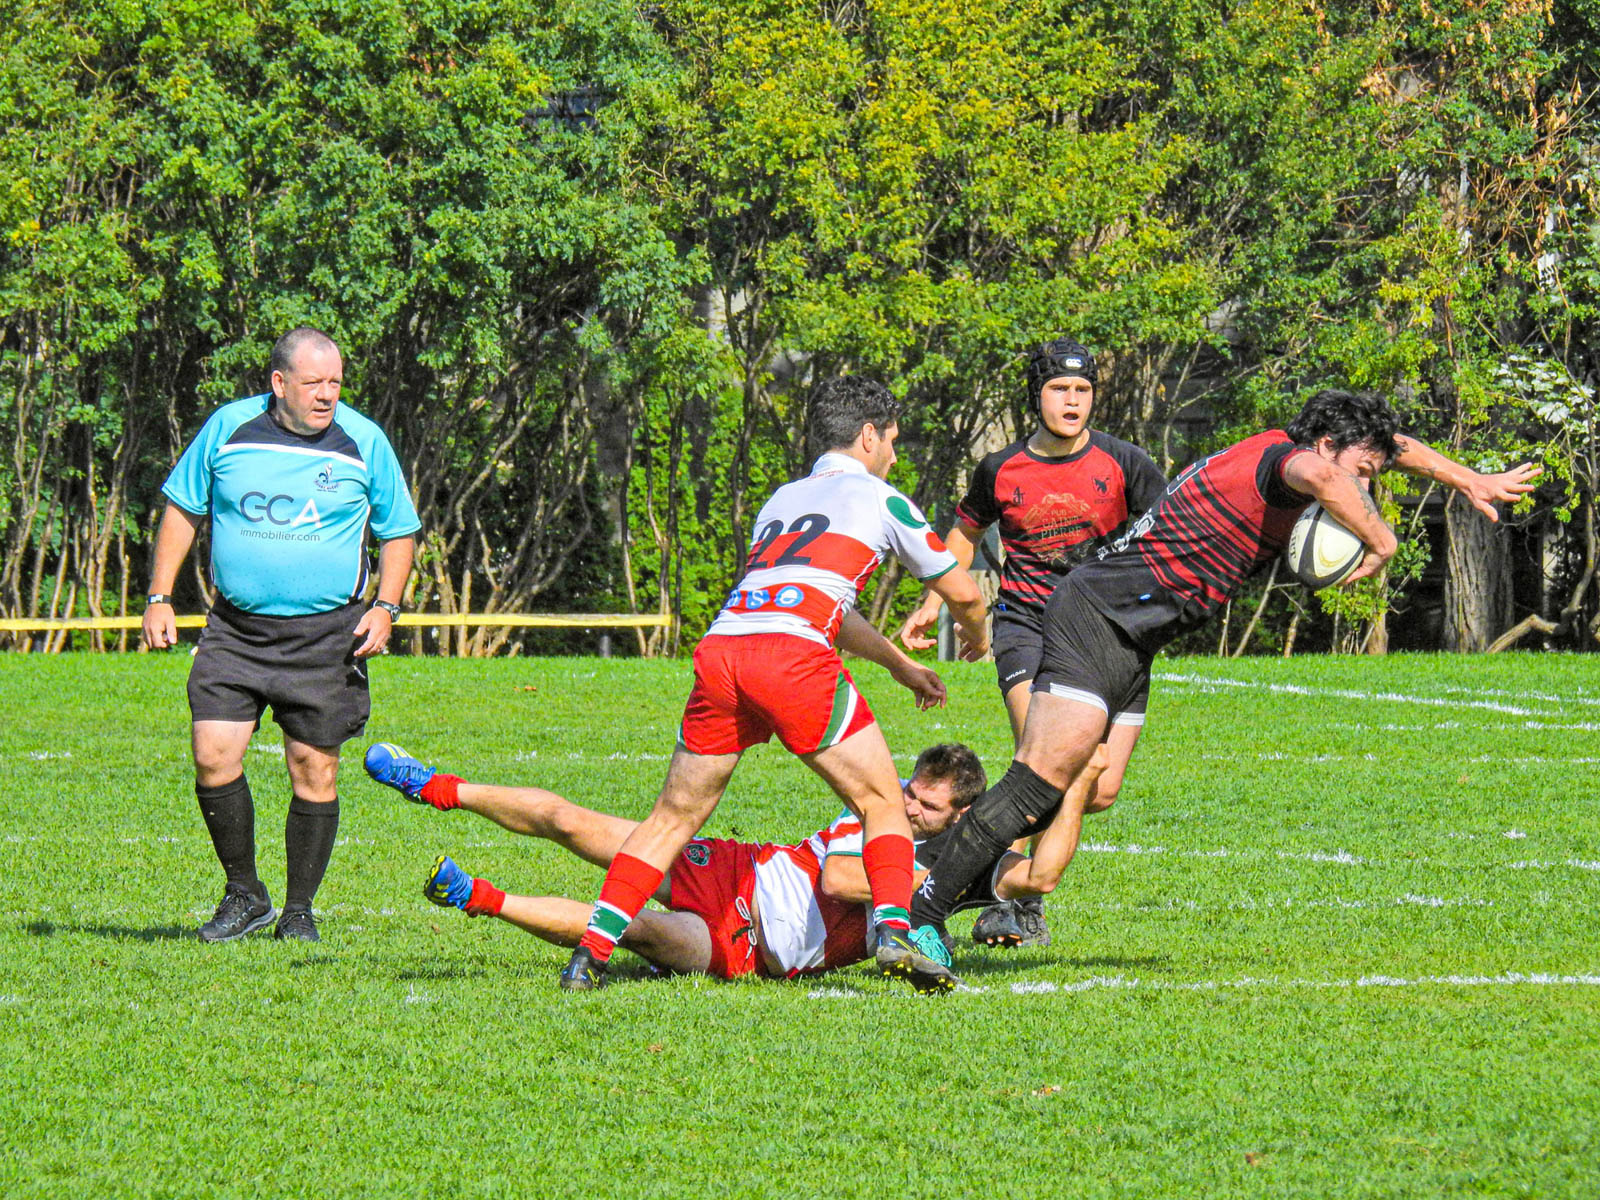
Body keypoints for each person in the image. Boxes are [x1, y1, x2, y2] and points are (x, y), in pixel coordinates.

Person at [908, 388, 1542, 952]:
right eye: (1366, 473)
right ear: (1327, 445)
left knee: (1094, 790)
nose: (1368, 485)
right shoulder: (1286, 463)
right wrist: (1385, 541)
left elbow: (1386, 446)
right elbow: (1326, 476)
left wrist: (1467, 479)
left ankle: (946, 864)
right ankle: (918, 914)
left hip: (1137, 636)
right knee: (1038, 783)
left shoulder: (1310, 448)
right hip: (1098, 616)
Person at [560, 376, 991, 993]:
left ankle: (591, 956)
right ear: (868, 436)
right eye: (892, 441)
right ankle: (894, 930)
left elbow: (819, 600)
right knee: (882, 803)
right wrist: (976, 634)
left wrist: (897, 663)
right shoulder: (880, 497)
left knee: (671, 818)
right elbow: (963, 591)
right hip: (791, 657)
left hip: (723, 647)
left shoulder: (782, 498)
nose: (895, 456)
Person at [142, 327, 420, 943]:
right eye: (314, 383)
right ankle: (245, 894)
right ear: (278, 383)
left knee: (313, 771)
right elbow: (184, 509)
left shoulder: (363, 440)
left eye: (336, 383)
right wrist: (159, 597)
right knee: (213, 756)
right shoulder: (228, 429)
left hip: (326, 638)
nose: (327, 395)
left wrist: (387, 608)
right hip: (236, 631)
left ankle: (298, 910)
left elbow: (398, 531)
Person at [899, 338, 1165, 949]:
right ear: (1035, 396)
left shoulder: (1125, 462)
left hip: (1110, 632)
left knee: (1097, 789)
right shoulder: (1001, 467)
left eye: (1083, 390)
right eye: (1059, 390)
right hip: (1028, 629)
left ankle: (960, 857)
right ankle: (1013, 898)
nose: (1073, 401)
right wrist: (932, 601)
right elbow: (962, 536)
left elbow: (1167, 534)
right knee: (1038, 769)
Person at [364, 742, 1024, 981]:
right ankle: (439, 788)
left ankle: (478, 897)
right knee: (575, 825)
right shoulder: (883, 827)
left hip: (743, 950)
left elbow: (1032, 874)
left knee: (632, 928)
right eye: (910, 792)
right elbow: (837, 877)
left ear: (958, 817)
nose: (908, 807)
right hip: (737, 872)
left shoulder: (946, 869)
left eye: (927, 807)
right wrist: (915, 898)